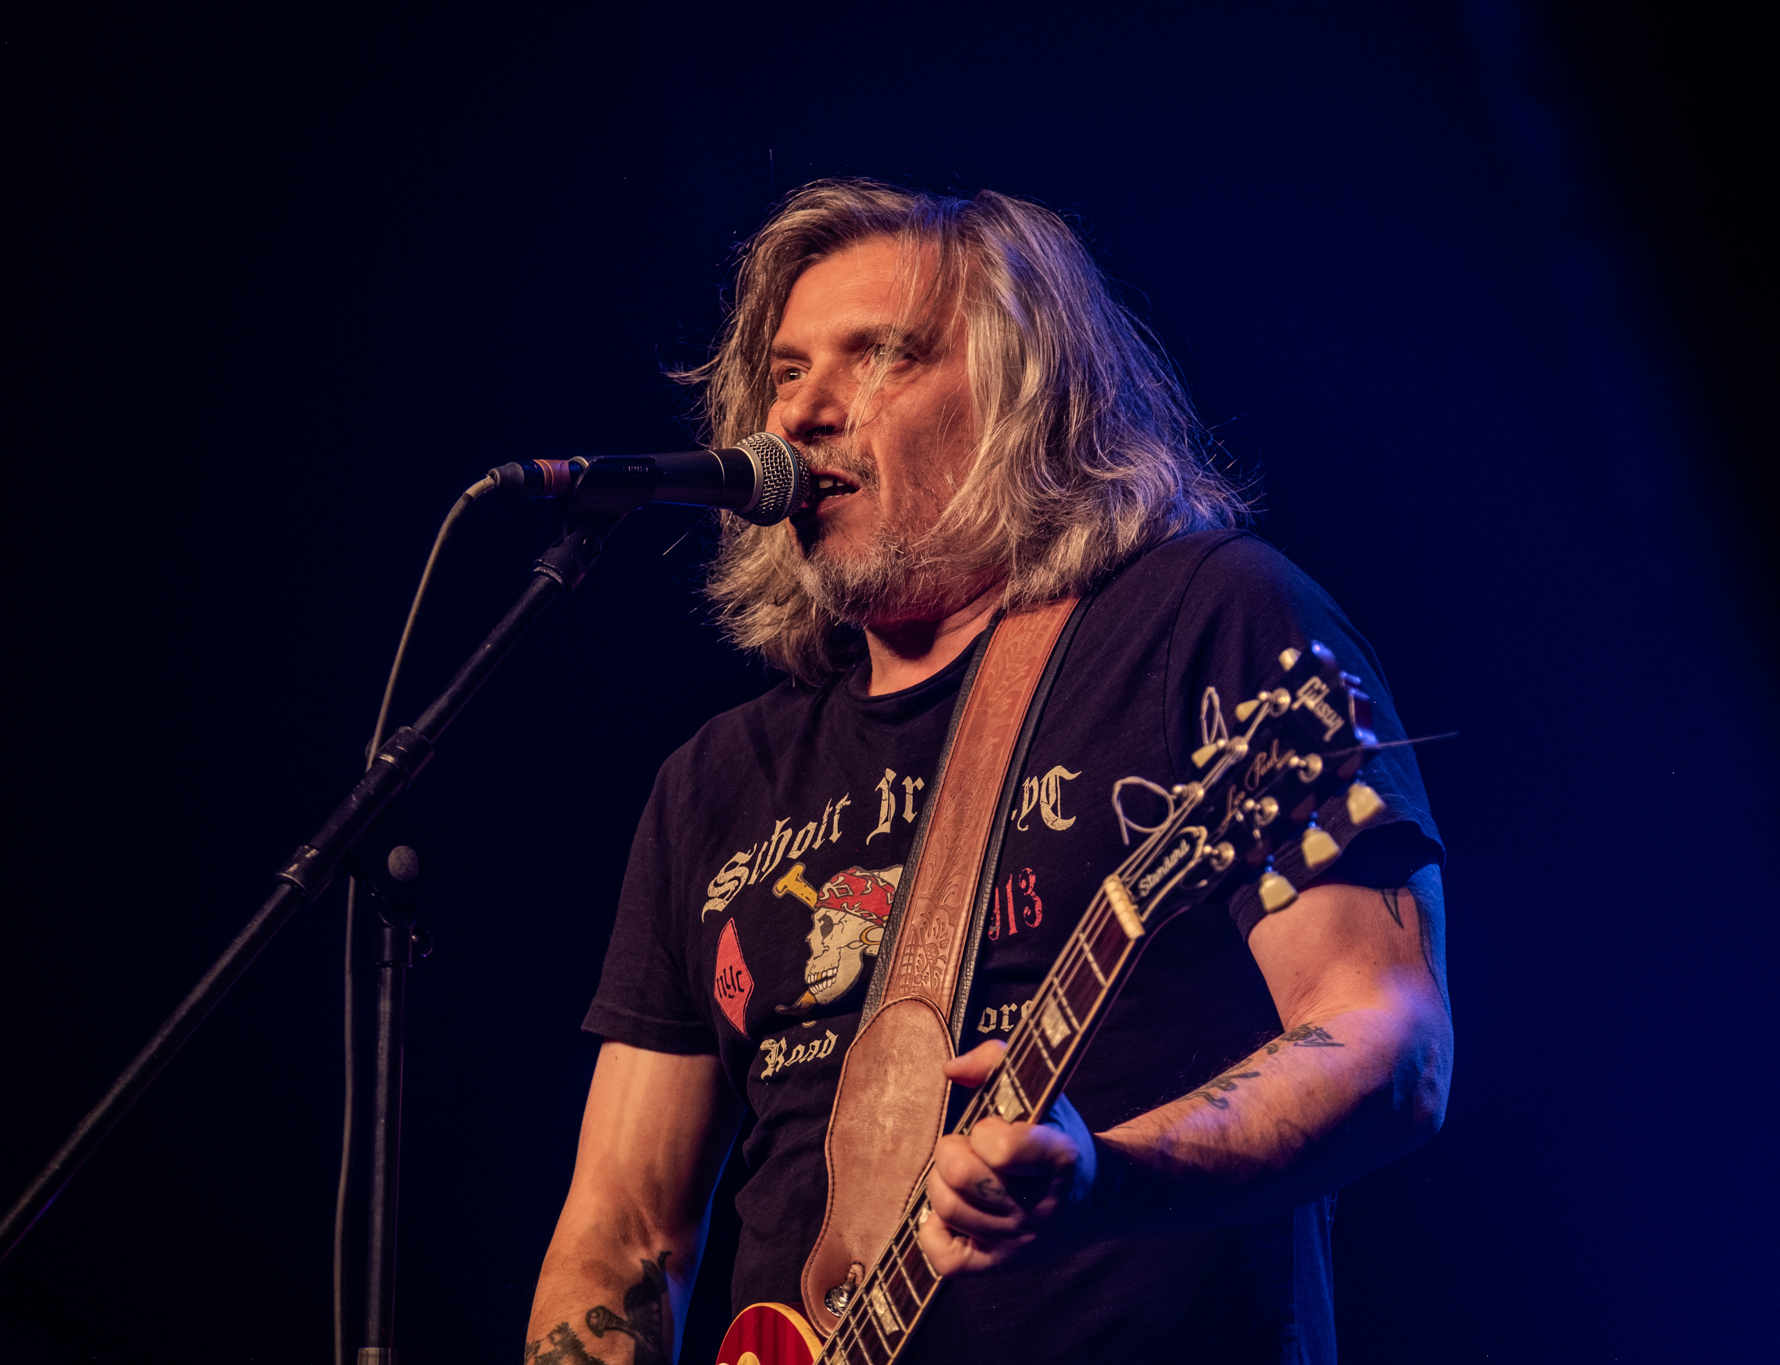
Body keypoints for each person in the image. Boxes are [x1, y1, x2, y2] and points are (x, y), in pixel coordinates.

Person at [524, 180, 1451, 1365]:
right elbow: (621, 1234)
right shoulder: (714, 779)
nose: (800, 410)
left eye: (878, 355)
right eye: (786, 370)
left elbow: (1386, 1036)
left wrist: (1106, 1178)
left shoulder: (1202, 620)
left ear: (1027, 398)